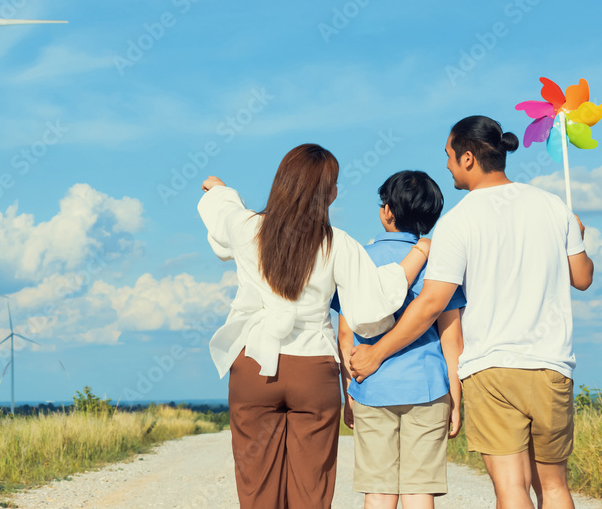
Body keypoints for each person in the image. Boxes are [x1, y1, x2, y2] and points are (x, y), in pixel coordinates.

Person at [349, 116, 595, 509]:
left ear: (467, 157)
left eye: (448, 156)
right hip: (551, 364)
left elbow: (431, 304)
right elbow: (582, 278)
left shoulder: (456, 222)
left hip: (491, 367)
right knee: (553, 487)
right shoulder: (554, 206)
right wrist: (577, 234)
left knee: (511, 489)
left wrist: (377, 352)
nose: (446, 165)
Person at [198, 144, 431, 509]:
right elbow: (371, 306)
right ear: (328, 193)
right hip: (312, 370)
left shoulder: (247, 227)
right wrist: (416, 255)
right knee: (312, 490)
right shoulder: (338, 243)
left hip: (255, 366)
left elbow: (222, 211)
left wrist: (218, 188)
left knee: (256, 487)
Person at [336, 170, 465, 509]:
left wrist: (347, 389)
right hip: (428, 387)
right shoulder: (440, 262)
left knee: (377, 490)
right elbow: (451, 336)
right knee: (419, 489)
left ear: (387, 211)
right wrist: (456, 394)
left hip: (370, 384)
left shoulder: (358, 259)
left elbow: (346, 333)